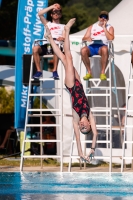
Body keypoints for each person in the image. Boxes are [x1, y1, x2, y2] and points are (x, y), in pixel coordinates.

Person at [44, 18, 98, 162]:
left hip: (71, 85)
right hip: (78, 83)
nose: (82, 126)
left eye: (82, 128)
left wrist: (81, 153)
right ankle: (50, 38)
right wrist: (91, 150)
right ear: (89, 125)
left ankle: (66, 30)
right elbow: (95, 134)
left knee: (68, 57)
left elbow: (78, 138)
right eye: (85, 127)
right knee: (63, 57)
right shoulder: (90, 114)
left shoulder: (76, 117)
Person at [32, 3, 65, 80]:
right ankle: (38, 71)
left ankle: (54, 71)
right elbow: (40, 14)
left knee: (57, 47)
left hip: (56, 45)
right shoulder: (48, 24)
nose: (56, 14)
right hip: (47, 45)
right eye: (54, 12)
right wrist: (52, 7)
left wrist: (62, 38)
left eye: (58, 12)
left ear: (60, 15)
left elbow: (64, 37)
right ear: (51, 15)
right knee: (35, 48)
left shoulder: (63, 26)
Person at [81, 11, 114, 81]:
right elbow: (84, 38)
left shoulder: (110, 27)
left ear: (107, 19)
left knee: (105, 49)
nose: (103, 18)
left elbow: (111, 38)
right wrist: (88, 38)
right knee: (83, 50)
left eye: (105, 17)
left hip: (103, 46)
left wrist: (104, 28)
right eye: (101, 17)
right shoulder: (92, 26)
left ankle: (102, 72)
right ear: (98, 18)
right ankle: (89, 72)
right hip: (93, 46)